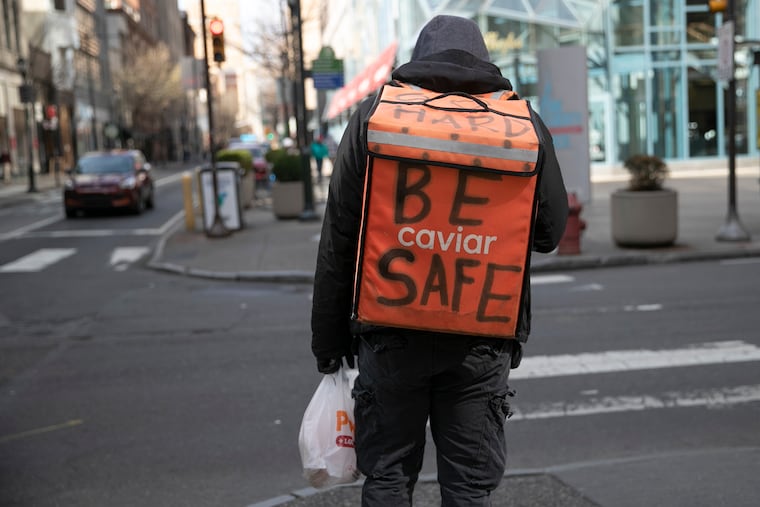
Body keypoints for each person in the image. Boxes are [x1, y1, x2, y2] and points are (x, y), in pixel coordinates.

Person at [311, 15, 568, 506]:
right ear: (485, 60)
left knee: (386, 478)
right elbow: (550, 232)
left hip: (390, 330)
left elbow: (340, 237)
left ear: (419, 56)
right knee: (469, 486)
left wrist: (328, 340)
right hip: (480, 337)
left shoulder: (373, 117)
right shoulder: (522, 123)